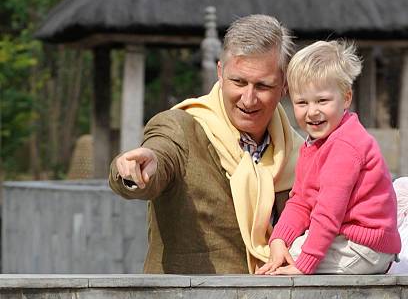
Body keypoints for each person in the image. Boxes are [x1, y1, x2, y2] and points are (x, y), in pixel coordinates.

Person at [109, 14, 303, 274]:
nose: (248, 98)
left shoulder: (302, 153)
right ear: (221, 73)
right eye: (239, 82)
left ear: (284, 87)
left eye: (263, 86)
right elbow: (159, 155)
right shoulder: (179, 128)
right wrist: (141, 168)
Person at [256, 40, 401, 276]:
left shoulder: (345, 145)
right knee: (276, 252)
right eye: (302, 103)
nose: (312, 111)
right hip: (345, 239)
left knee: (283, 264)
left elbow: (327, 213)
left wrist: (303, 266)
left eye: (322, 101)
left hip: (366, 245)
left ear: (346, 98)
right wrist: (279, 238)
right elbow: (301, 201)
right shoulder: (314, 145)